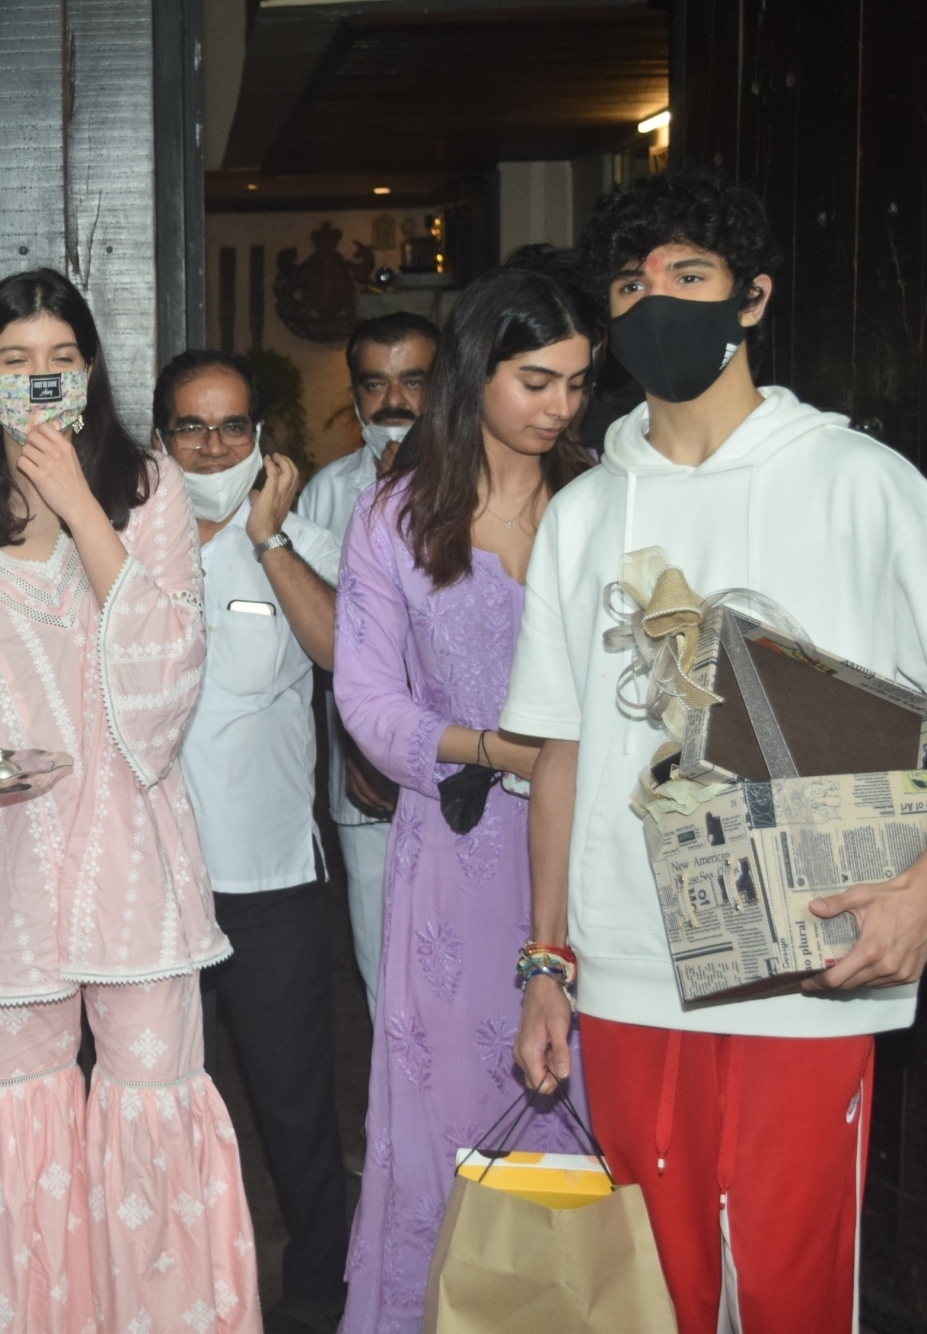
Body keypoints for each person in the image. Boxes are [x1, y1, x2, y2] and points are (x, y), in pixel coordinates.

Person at [507, 167, 927, 1334]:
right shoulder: (583, 513)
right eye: (627, 285)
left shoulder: (862, 484)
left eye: (686, 276)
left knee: (790, 1284)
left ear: (751, 297)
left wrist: (917, 890)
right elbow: (559, 751)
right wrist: (544, 959)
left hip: (812, 956)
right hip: (628, 966)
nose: (652, 303)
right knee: (655, 1290)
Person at [0, 270, 260, 1334]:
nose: (39, 379)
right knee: (15, 1116)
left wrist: (77, 505)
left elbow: (167, 668)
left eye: (60, 359)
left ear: (91, 372)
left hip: (131, 856)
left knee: (152, 1104)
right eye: (14, 361)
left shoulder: (149, 493)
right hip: (6, 867)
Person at [332, 264, 599, 1333]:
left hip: (592, 855)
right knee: (449, 1122)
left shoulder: (601, 500)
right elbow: (364, 699)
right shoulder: (395, 516)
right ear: (475, 371)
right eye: (536, 381)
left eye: (577, 383)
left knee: (581, 1124)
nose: (559, 407)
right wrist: (492, 749)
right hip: (452, 855)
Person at [158, 349, 351, 1334]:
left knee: (291, 1103)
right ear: (161, 438)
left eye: (231, 426)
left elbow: (344, 656)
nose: (212, 446)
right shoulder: (121, 539)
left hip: (269, 876)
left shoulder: (304, 541)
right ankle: (170, 1290)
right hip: (153, 879)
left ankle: (320, 1291)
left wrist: (269, 539)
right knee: (155, 1102)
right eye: (191, 427)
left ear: (261, 436)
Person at [296, 311, 439, 1006]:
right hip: (365, 776)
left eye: (415, 381)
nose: (395, 402)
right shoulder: (326, 492)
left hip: (471, 767)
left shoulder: (493, 483)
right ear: (354, 393)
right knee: (384, 970)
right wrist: (357, 745)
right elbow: (324, 637)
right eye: (376, 384)